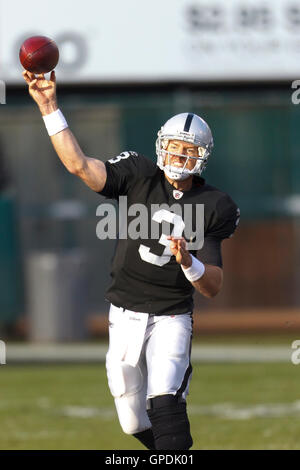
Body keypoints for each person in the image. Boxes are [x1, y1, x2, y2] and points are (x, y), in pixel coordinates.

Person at [22, 70, 240, 450]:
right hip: (123, 312)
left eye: (188, 150)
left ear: (202, 157)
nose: (178, 155)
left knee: (165, 399)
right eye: (174, 146)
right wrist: (49, 106)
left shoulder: (214, 205)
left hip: (172, 316)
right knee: (131, 421)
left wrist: (188, 261)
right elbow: (80, 167)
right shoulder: (139, 172)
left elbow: (214, 286)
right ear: (161, 145)